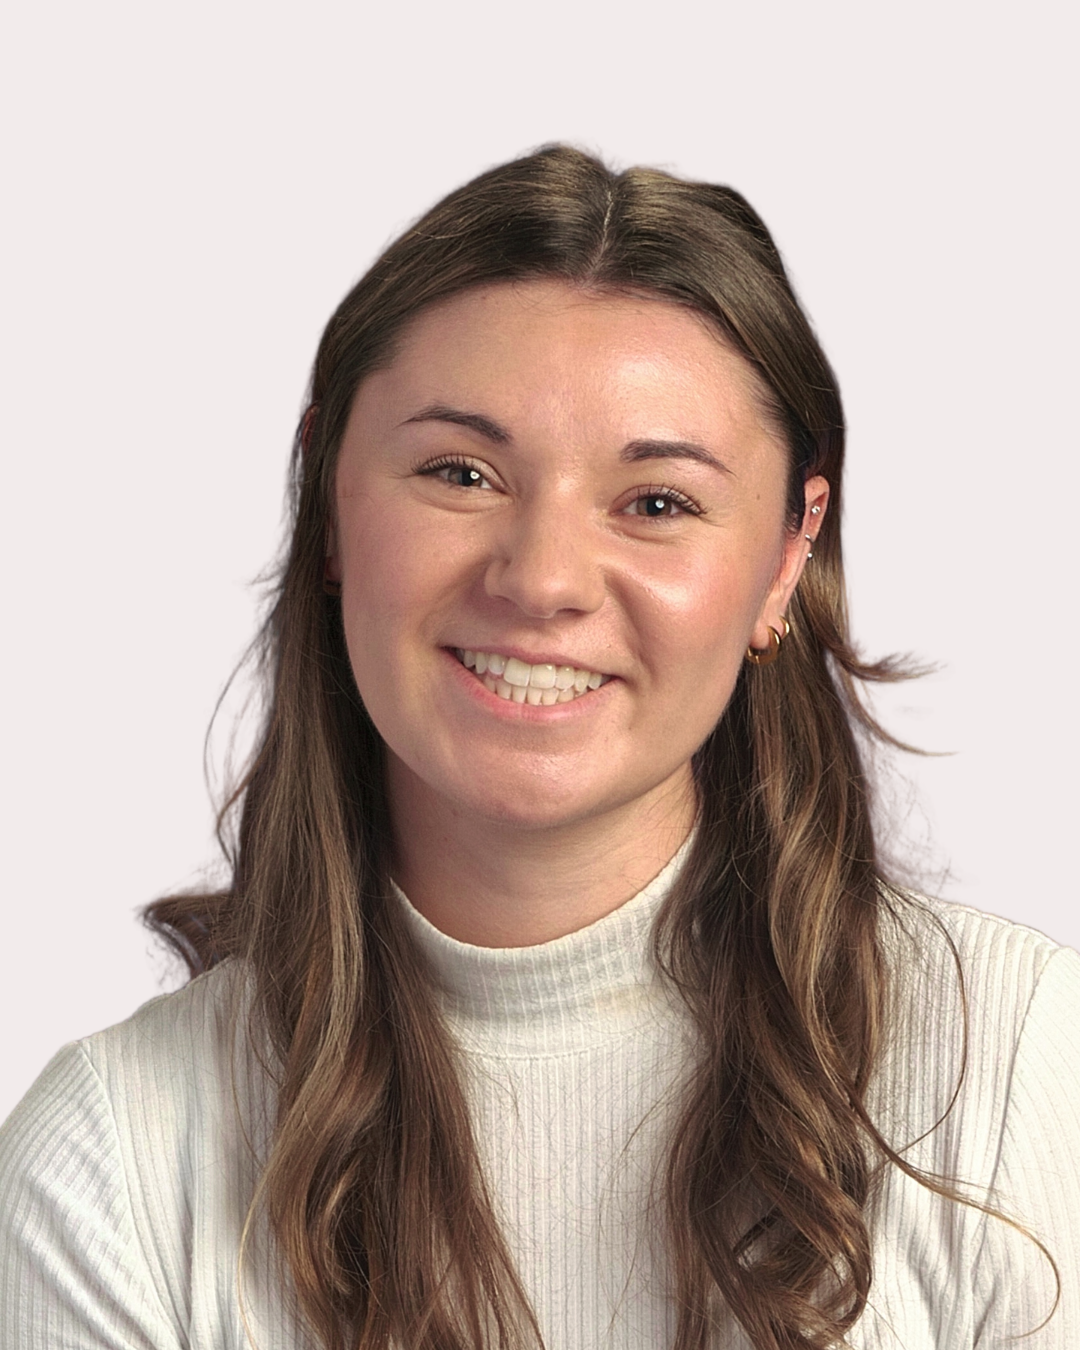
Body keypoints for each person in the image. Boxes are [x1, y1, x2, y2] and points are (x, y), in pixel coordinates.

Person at [1, 145, 1077, 1350]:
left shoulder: (1018, 1065)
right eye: (460, 473)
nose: (544, 580)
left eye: (657, 501)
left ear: (785, 556)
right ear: (327, 501)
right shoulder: (113, 1162)